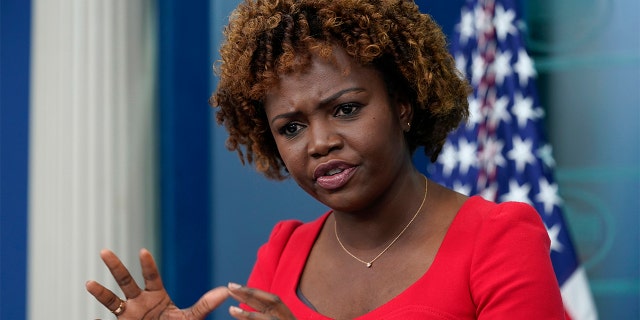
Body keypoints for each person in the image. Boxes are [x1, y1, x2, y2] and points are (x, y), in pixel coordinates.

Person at [86, 0, 566, 319]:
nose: (319, 143)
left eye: (346, 109)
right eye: (291, 128)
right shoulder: (283, 252)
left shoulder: (498, 240)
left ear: (403, 103)